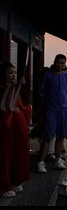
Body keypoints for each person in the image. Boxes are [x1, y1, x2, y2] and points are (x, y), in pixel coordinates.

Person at [0, 62, 31, 198]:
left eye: (15, 73)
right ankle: (4, 185)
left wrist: (24, 109)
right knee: (5, 156)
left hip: (18, 128)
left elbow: (19, 107)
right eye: (10, 73)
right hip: (6, 129)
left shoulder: (14, 88)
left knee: (19, 154)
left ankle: (16, 180)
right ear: (3, 75)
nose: (14, 75)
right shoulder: (2, 89)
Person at [37, 54, 67, 173]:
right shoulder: (48, 76)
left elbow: (66, 93)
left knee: (61, 136)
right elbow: (42, 94)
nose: (60, 65)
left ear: (65, 64)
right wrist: (42, 110)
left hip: (63, 110)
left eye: (63, 63)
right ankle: (41, 162)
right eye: (58, 62)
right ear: (54, 62)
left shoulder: (65, 76)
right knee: (48, 136)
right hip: (51, 109)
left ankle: (58, 159)